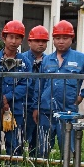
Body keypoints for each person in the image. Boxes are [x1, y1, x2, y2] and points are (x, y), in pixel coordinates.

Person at [37, 20, 84, 157]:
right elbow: (40, 84)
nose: (61, 41)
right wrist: (35, 106)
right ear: (53, 40)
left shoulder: (82, 59)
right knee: (42, 150)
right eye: (57, 38)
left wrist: (82, 95)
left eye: (65, 38)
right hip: (46, 112)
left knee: (68, 150)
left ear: (71, 39)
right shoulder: (46, 60)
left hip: (68, 112)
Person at [0, 20, 29, 158]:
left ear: (22, 40)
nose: (13, 41)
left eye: (17, 38)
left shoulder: (25, 63)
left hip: (15, 109)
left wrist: (7, 98)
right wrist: (0, 100)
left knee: (15, 143)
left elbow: (26, 84)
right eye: (11, 37)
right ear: (4, 38)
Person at [22, 25, 49, 156]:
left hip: (42, 106)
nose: (40, 44)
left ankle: (37, 166)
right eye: (37, 41)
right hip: (23, 105)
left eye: (43, 41)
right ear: (29, 42)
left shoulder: (49, 61)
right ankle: (17, 164)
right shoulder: (21, 59)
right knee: (21, 137)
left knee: (39, 140)